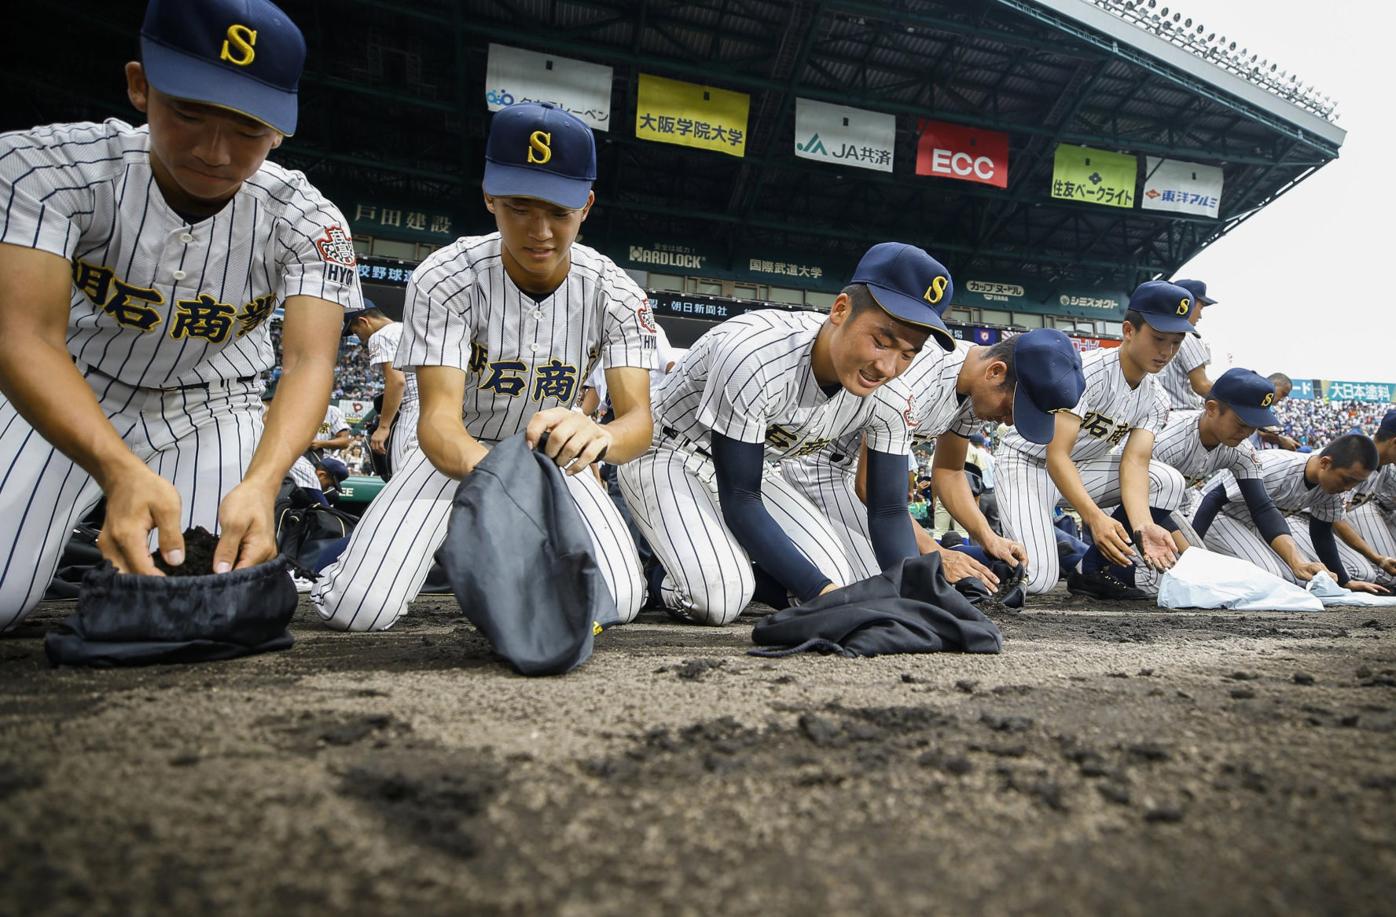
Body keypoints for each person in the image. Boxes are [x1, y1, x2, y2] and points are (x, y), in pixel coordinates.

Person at [0, 0, 362, 628]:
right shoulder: (45, 168)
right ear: (141, 85)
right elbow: (22, 336)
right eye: (189, 112)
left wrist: (263, 481)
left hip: (210, 407)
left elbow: (308, 362)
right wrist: (117, 469)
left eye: (249, 127)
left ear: (282, 128)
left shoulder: (308, 218)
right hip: (71, 391)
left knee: (198, 604)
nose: (216, 151)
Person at [314, 102, 657, 632]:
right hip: (452, 448)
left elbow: (638, 423)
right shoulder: (445, 277)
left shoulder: (615, 292)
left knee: (622, 599)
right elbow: (438, 423)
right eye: (520, 206)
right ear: (489, 196)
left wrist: (598, 437)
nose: (540, 230)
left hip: (550, 454)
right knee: (357, 609)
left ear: (586, 206)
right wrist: (506, 483)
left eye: (559, 212)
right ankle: (321, 557)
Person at [617, 242, 953, 626]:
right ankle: (660, 574)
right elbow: (741, 498)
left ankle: (725, 564)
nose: (888, 366)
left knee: (839, 579)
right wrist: (822, 597)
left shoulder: (893, 395)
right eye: (880, 341)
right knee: (717, 598)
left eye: (908, 354)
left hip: (755, 468)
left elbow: (889, 509)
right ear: (840, 310)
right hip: (669, 449)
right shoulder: (755, 352)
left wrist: (914, 595)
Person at [780, 328, 1085, 588]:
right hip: (811, 466)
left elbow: (950, 471)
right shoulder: (921, 375)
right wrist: (935, 551)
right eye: (1010, 408)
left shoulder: (974, 391)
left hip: (843, 478)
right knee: (886, 584)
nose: (1007, 421)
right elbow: (871, 489)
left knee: (906, 574)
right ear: (995, 371)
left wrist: (987, 536)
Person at [994, 281, 1195, 599]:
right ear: (1129, 330)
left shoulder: (1156, 398)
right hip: (1028, 462)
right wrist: (1094, 517)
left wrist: (1142, 526)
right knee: (1036, 580)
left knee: (1166, 480)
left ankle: (1090, 570)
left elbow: (1136, 462)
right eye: (1158, 338)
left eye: (1176, 341)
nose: (1167, 351)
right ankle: (960, 555)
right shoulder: (1088, 371)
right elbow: (1056, 454)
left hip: (1081, 468)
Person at [1146, 368, 1329, 588]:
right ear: (1212, 409)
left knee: (1196, 575)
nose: (1247, 432)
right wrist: (1188, 553)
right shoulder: (1168, 436)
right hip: (1117, 499)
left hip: (1163, 508)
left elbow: (1261, 506)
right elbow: (1140, 499)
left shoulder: (1240, 449)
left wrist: (1296, 560)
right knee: (1163, 579)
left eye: (1254, 426)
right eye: (1242, 424)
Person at [1193, 434, 1390, 593]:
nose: (1348, 488)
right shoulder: (1274, 465)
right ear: (1325, 463)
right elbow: (1213, 499)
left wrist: (1344, 581)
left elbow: (1321, 532)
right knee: (1271, 576)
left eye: (1355, 483)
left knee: (1301, 579)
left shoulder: (1332, 491)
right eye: (1346, 480)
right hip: (1217, 516)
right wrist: (1193, 551)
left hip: (1251, 526)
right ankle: (1208, 577)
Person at [343, 303, 419, 472]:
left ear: (364, 321)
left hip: (413, 410)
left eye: (356, 331)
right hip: (436, 407)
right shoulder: (409, 328)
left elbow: (397, 380)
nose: (359, 338)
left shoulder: (381, 335)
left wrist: (383, 427)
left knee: (401, 475)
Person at [1343, 410, 1396, 585]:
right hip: (1305, 517)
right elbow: (1333, 516)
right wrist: (1377, 558)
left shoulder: (1385, 463)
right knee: (1384, 574)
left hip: (1351, 511)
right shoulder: (1352, 458)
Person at [1154, 278, 1216, 411]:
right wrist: (1233, 402)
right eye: (1200, 307)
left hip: (1155, 415)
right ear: (1187, 303)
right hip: (1181, 418)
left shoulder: (1156, 331)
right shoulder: (1187, 336)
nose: (1200, 316)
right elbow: (1201, 385)